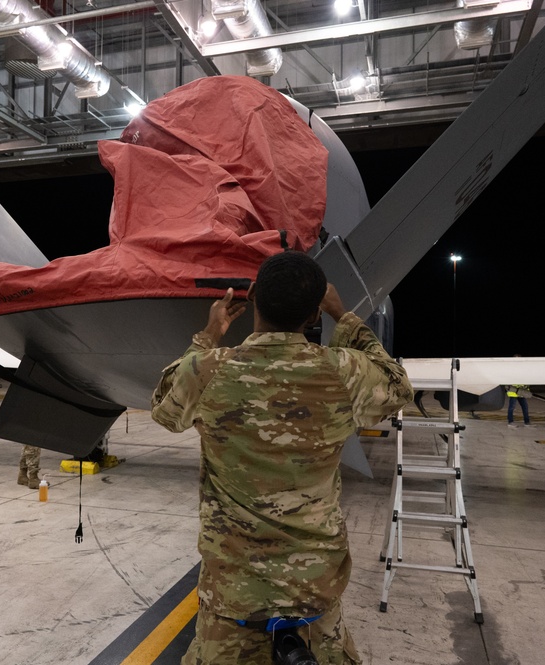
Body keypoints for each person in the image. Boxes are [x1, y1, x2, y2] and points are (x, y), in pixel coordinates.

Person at [151, 251, 414, 665]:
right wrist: (342, 315)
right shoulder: (343, 372)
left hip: (233, 601)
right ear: (313, 315)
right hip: (312, 597)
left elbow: (165, 407)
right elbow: (398, 385)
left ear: (253, 297)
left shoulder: (208, 370)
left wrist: (209, 333)